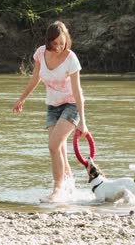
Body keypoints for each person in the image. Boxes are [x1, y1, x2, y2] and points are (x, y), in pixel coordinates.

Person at [13, 21, 88, 202]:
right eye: (54, 44)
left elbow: (77, 90)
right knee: (59, 149)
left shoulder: (71, 59)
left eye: (62, 43)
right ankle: (70, 190)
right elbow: (35, 78)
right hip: (53, 106)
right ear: (48, 41)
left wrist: (83, 122)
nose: (58, 47)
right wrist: (22, 98)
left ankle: (56, 191)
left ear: (66, 40)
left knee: (53, 145)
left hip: (71, 105)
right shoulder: (40, 53)